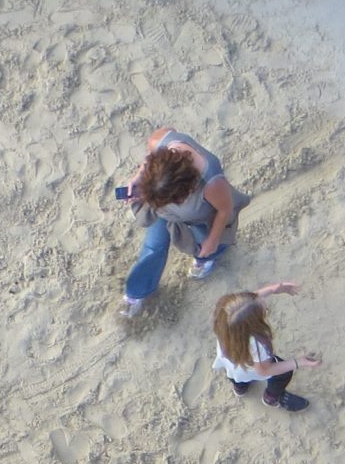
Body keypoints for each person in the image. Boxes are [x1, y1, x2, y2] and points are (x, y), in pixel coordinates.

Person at [117, 128, 248, 319]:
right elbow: (149, 160)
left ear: (186, 188)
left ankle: (205, 259)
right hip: (163, 210)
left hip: (200, 215)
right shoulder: (160, 141)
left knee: (206, 242)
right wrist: (139, 177)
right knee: (153, 248)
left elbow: (225, 210)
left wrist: (213, 240)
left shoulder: (212, 182)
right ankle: (137, 292)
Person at [210, 283, 317, 414]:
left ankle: (240, 388)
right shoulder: (258, 344)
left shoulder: (223, 321)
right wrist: (299, 362)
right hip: (251, 368)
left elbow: (244, 306)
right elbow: (264, 370)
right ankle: (271, 398)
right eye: (263, 311)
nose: (264, 304)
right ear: (253, 324)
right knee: (284, 374)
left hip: (231, 365)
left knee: (236, 378)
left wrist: (272, 289)